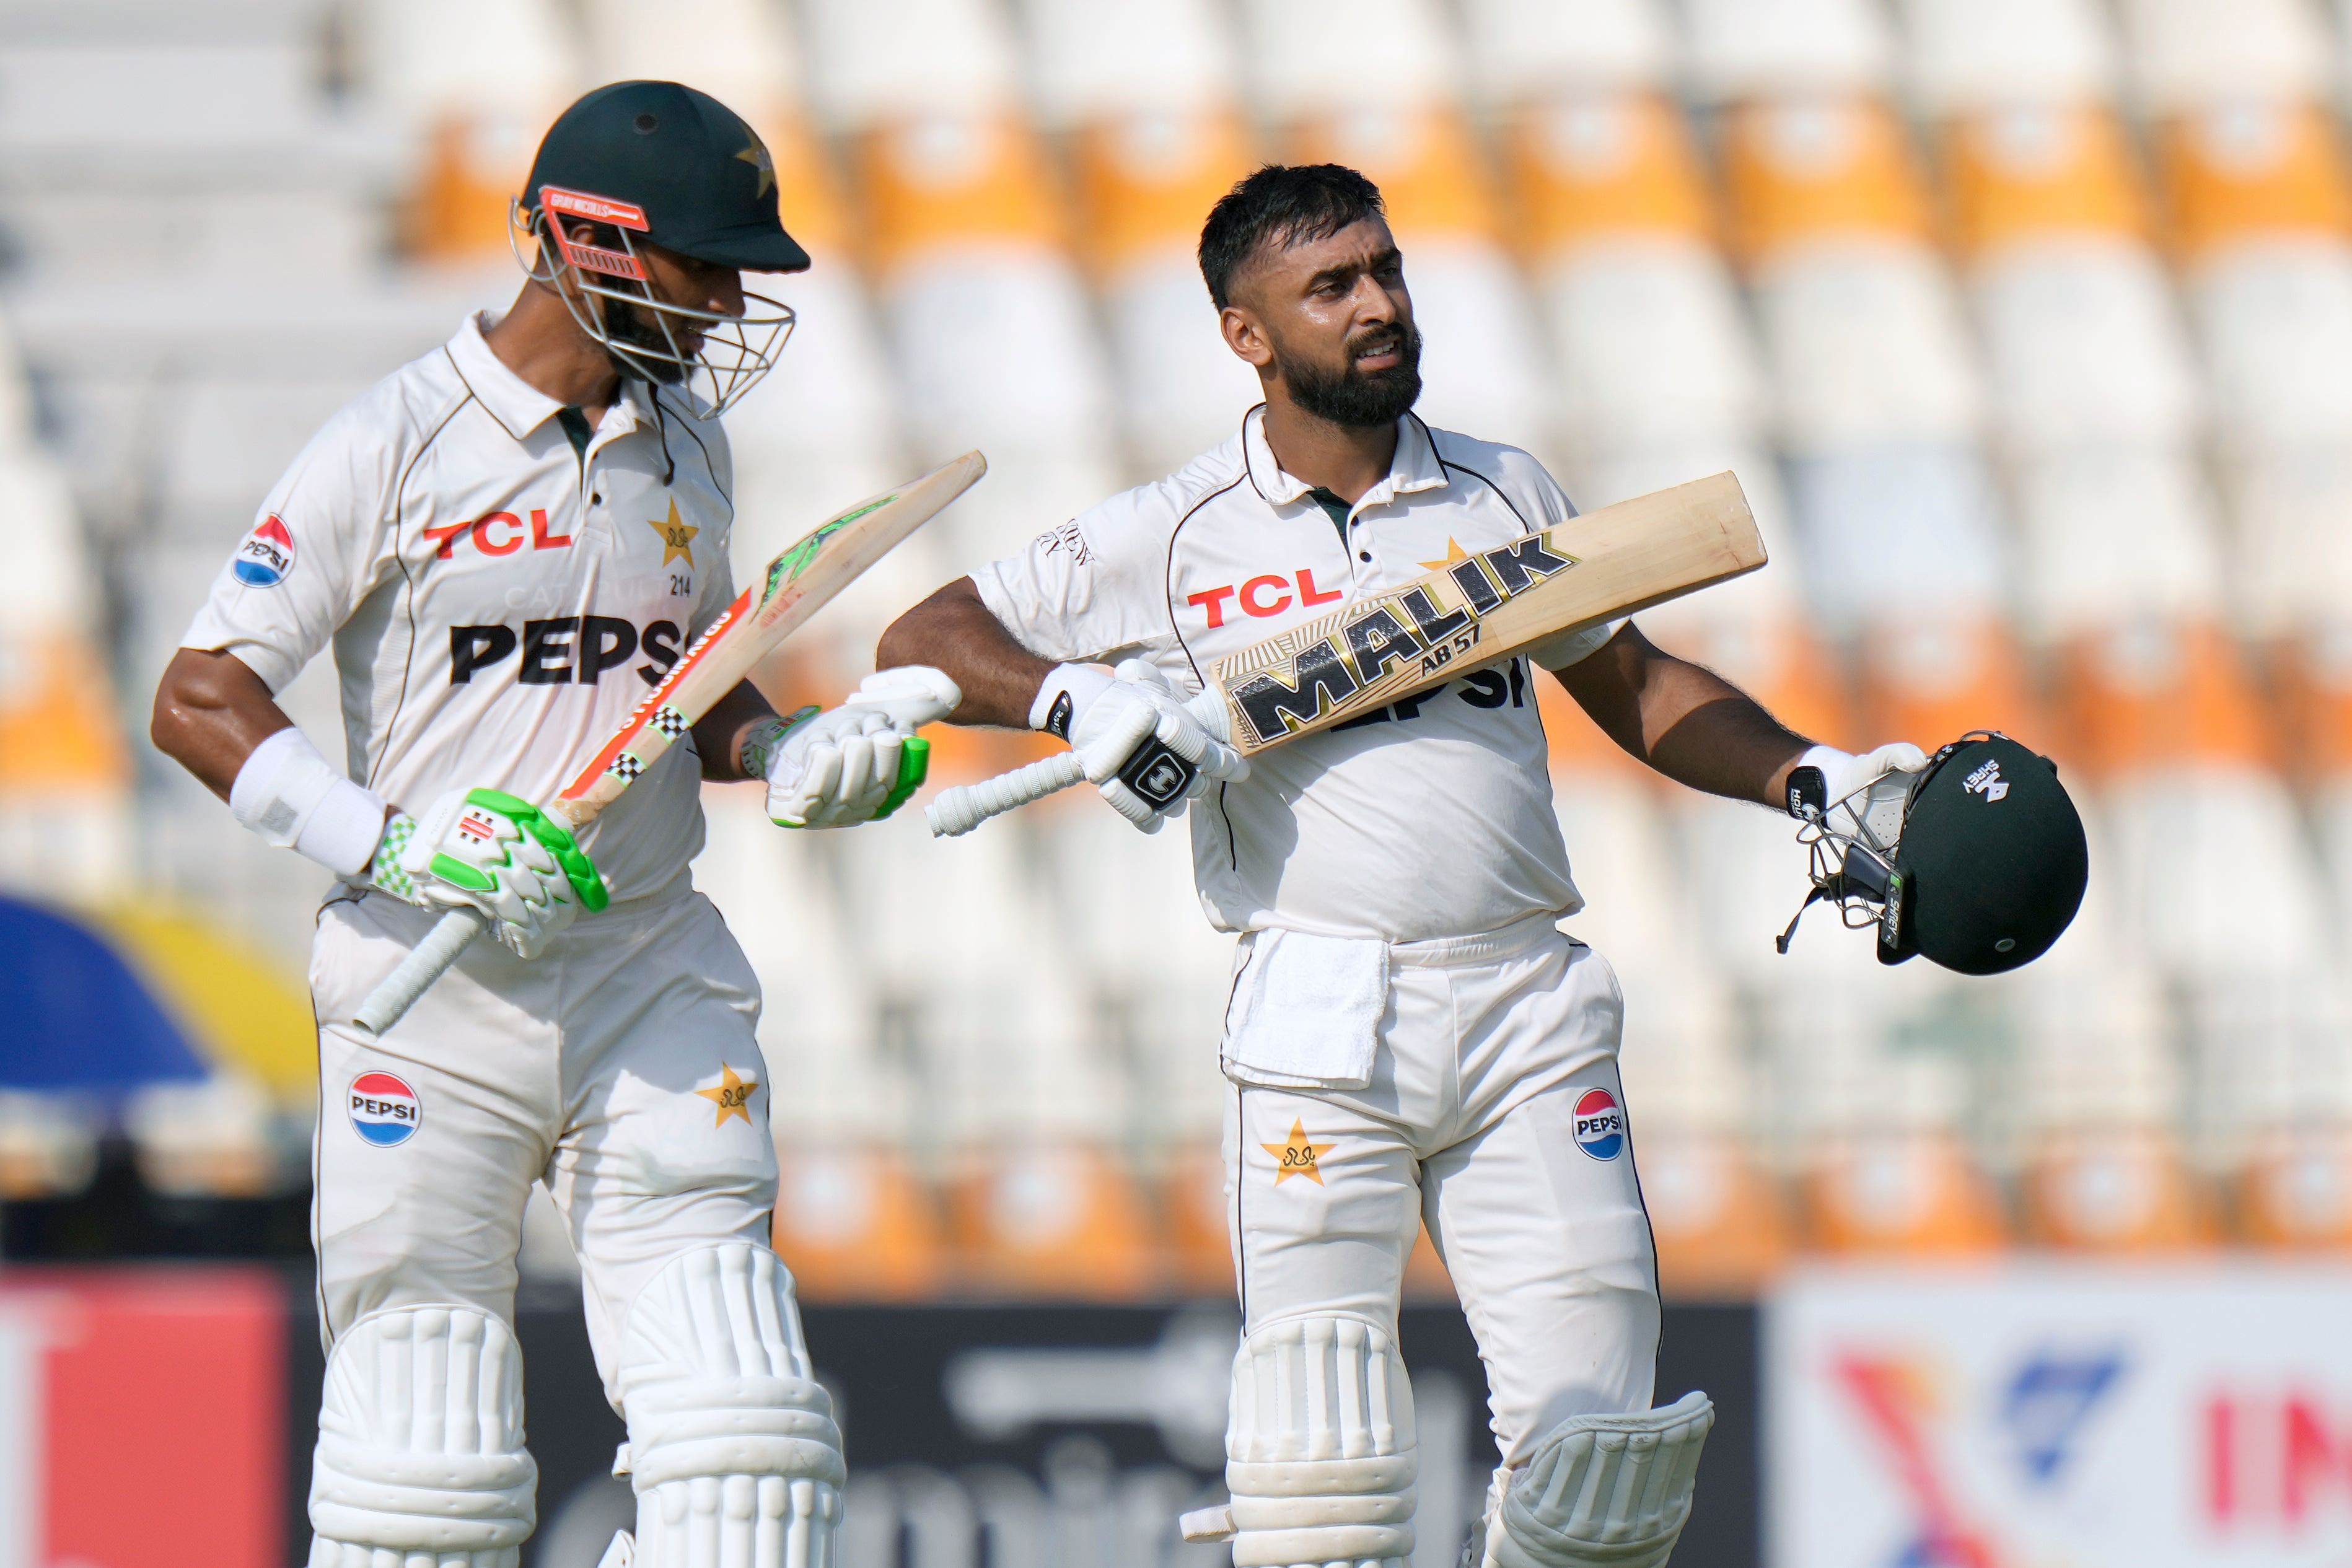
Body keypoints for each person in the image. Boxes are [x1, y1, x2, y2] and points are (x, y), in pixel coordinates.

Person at [875, 164, 1923, 1568]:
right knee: (1322, 1493)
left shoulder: (1503, 489)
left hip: (1525, 1009)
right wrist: (1074, 696)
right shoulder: (1175, 532)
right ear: (1245, 336)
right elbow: (925, 631)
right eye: (1330, 287)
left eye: (1383, 270)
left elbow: (1628, 680)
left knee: (1597, 1483)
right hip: (1319, 1017)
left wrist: (1809, 775)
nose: (1375, 305)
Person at [151, 81, 952, 1568]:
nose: (725, 304)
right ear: (580, 241)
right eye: (703, 267)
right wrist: (385, 841)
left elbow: (687, 674)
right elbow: (197, 700)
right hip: (428, 988)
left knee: (752, 1463)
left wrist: (781, 745)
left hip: (650, 975)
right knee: (423, 1497)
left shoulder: (689, 443)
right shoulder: (391, 439)